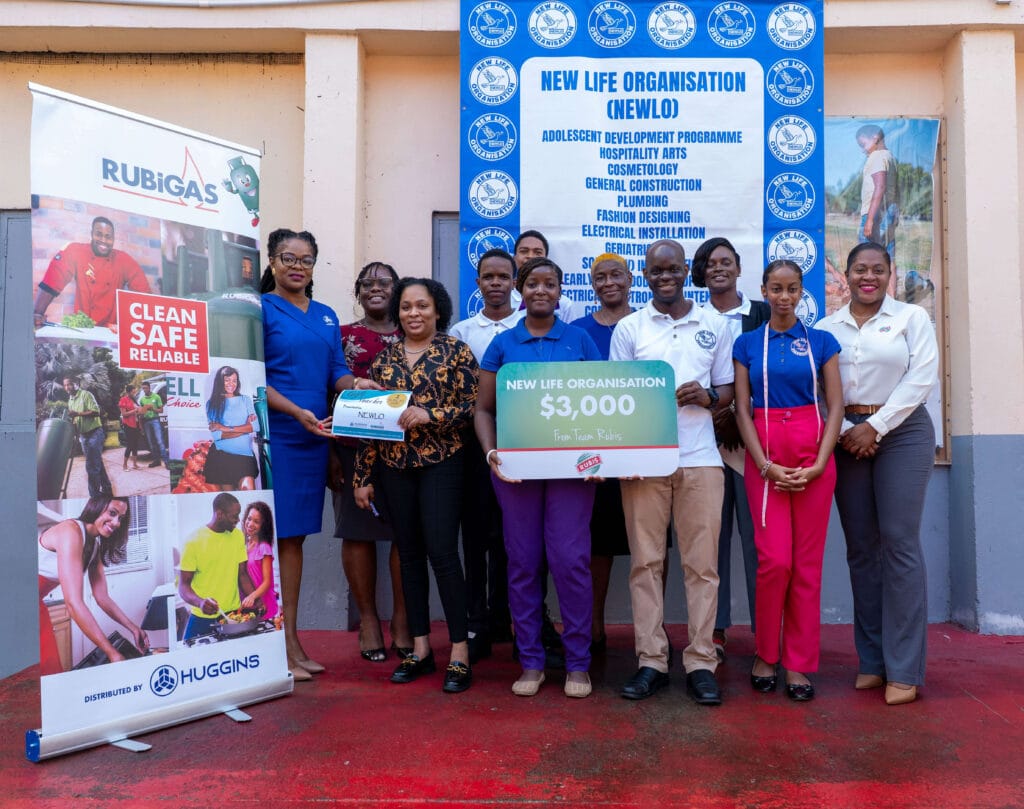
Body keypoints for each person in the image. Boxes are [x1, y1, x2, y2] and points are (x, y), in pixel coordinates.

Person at [609, 239, 734, 706]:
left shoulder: (715, 324)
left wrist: (709, 397)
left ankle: (702, 661)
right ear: (645, 275)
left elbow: (726, 389)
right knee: (645, 564)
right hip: (644, 462)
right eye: (656, 271)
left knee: (702, 567)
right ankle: (651, 661)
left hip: (701, 458)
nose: (665, 277)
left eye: (673, 269)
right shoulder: (629, 328)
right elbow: (616, 396)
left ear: (687, 271)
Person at [816, 242, 939, 706]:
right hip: (847, 437)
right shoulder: (828, 327)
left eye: (878, 269)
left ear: (890, 274)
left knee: (899, 544)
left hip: (902, 434)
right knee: (861, 551)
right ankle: (872, 662)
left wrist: (876, 426)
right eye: (859, 270)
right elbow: (819, 385)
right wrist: (850, 429)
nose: (868, 277)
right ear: (845, 276)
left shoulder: (912, 318)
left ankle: (905, 670)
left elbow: (921, 378)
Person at [475, 256, 600, 699]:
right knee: (523, 562)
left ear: (561, 291)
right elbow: (483, 409)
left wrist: (596, 461)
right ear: (519, 290)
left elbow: (598, 407)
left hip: (571, 474)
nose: (541, 291)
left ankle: (578, 664)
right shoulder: (503, 344)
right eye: (532, 284)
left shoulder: (581, 340)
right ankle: (531, 660)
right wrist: (492, 453)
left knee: (570, 562)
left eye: (550, 284)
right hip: (516, 473)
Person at [353, 278, 478, 693]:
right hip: (394, 468)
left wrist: (431, 415)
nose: (413, 313)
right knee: (408, 557)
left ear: (437, 310)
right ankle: (421, 650)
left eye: (422, 305)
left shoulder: (455, 351)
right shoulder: (383, 362)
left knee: (443, 554)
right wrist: (363, 478)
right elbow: (370, 425)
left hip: (442, 464)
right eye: (406, 307)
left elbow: (472, 407)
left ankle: (459, 652)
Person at [260, 227, 370, 681]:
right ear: (271, 261)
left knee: (298, 537)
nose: (297, 266)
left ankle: (291, 641)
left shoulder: (326, 316)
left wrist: (358, 385)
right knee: (279, 538)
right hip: (278, 434)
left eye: (305, 259)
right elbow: (251, 376)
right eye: (288, 257)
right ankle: (279, 645)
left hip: (315, 437)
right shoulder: (260, 311)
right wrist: (296, 411)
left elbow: (336, 373)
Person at [733, 260, 844, 702]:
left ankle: (798, 663)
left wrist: (820, 463)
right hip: (767, 462)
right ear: (763, 290)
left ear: (802, 293)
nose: (783, 297)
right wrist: (762, 465)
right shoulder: (746, 344)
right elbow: (742, 410)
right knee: (774, 562)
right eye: (775, 289)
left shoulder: (821, 341)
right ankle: (766, 653)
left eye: (791, 289)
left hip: (814, 460)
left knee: (806, 567)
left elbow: (834, 405)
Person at [690, 237, 771, 660]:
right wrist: (719, 411)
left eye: (726, 262)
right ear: (701, 274)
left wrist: (741, 410)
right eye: (710, 263)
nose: (718, 268)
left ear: (739, 269)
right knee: (710, 544)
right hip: (705, 444)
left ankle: (766, 635)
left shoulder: (761, 314)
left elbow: (774, 371)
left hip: (751, 444)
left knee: (759, 544)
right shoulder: (693, 318)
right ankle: (715, 631)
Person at [330, 260, 412, 663]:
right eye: (367, 283)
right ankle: (367, 619)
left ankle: (400, 618)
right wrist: (330, 451)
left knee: (404, 534)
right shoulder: (341, 336)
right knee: (357, 533)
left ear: (397, 289)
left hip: (403, 451)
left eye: (384, 282)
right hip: (350, 448)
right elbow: (324, 390)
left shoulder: (414, 330)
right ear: (357, 291)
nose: (375, 288)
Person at [449, 248, 522, 663]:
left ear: (514, 282)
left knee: (513, 540)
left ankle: (507, 618)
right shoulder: (462, 331)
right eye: (487, 276)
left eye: (503, 276)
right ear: (477, 283)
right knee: (476, 538)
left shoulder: (527, 326)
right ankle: (476, 621)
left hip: (524, 445)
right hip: (475, 447)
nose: (495, 283)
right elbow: (462, 397)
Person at [570, 253, 635, 653]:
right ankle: (593, 630)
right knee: (597, 545)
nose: (608, 282)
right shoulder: (576, 331)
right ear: (591, 284)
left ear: (631, 279)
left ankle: (653, 631)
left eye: (616, 275)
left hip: (639, 452)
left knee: (649, 547)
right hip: (590, 454)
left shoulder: (648, 325)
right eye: (599, 277)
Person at [38, 496, 148, 674]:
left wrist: (133, 628)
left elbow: (102, 597)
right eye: (112, 513)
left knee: (49, 674)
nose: (116, 522)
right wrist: (111, 653)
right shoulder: (70, 531)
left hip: (35, 606)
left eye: (120, 518)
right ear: (96, 506)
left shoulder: (94, 547)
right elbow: (74, 603)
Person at [33, 216, 151, 329]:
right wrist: (37, 314)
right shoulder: (76, 251)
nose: (104, 240)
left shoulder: (124, 260)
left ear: (113, 239)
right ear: (91, 234)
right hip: (83, 328)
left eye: (108, 237)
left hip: (110, 331)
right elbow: (52, 281)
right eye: (99, 235)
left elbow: (145, 296)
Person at [178, 493, 256, 640]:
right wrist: (200, 602)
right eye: (234, 516)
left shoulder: (238, 536)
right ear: (220, 514)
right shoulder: (193, 541)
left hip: (234, 615)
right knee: (190, 658)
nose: (238, 520)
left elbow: (242, 575)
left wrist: (255, 598)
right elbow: (183, 586)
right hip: (202, 618)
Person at [856, 125, 899, 290]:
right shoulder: (890, 157)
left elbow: (879, 187)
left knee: (865, 257)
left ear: (874, 138)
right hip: (888, 212)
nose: (862, 150)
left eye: (863, 144)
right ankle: (891, 299)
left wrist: (870, 220)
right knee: (889, 257)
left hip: (876, 214)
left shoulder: (877, 157)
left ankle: (870, 298)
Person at [204, 365, 259, 491]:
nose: (231, 384)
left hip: (244, 457)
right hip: (222, 457)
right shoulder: (212, 404)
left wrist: (225, 428)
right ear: (220, 381)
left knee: (249, 493)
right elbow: (218, 436)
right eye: (227, 380)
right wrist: (245, 428)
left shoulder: (245, 400)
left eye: (234, 380)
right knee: (230, 500)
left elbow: (255, 426)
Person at [63, 376, 113, 498]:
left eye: (69, 384)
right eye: (65, 385)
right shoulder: (70, 400)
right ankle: (107, 489)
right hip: (83, 436)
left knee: (91, 466)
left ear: (76, 384)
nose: (67, 387)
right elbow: (75, 418)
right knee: (97, 464)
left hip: (95, 433)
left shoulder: (86, 395)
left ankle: (94, 496)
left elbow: (96, 412)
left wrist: (78, 414)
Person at [511, 230, 577, 323]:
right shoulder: (504, 300)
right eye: (524, 251)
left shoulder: (564, 304)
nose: (530, 256)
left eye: (537, 252)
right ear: (514, 258)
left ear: (546, 258)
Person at [240, 501, 279, 620]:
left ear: (263, 525)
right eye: (249, 519)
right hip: (248, 606)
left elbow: (267, 582)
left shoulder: (264, 548)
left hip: (264, 606)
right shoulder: (243, 546)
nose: (250, 524)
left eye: (256, 522)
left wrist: (252, 597)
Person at [138, 381, 169, 468]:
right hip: (146, 422)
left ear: (149, 388)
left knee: (160, 441)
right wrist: (141, 413)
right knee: (151, 443)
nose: (144, 390)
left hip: (155, 420)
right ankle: (156, 461)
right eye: (143, 388)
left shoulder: (156, 397)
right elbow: (141, 413)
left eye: (146, 388)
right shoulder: (142, 400)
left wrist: (152, 409)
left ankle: (166, 462)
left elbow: (161, 410)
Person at [118, 384, 143, 471]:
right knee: (130, 445)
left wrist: (140, 411)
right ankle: (124, 465)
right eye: (133, 392)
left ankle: (135, 464)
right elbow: (124, 414)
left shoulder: (134, 400)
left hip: (136, 424)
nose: (134, 393)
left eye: (135, 391)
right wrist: (135, 410)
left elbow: (137, 412)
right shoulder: (123, 400)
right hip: (128, 425)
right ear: (128, 392)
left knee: (135, 444)